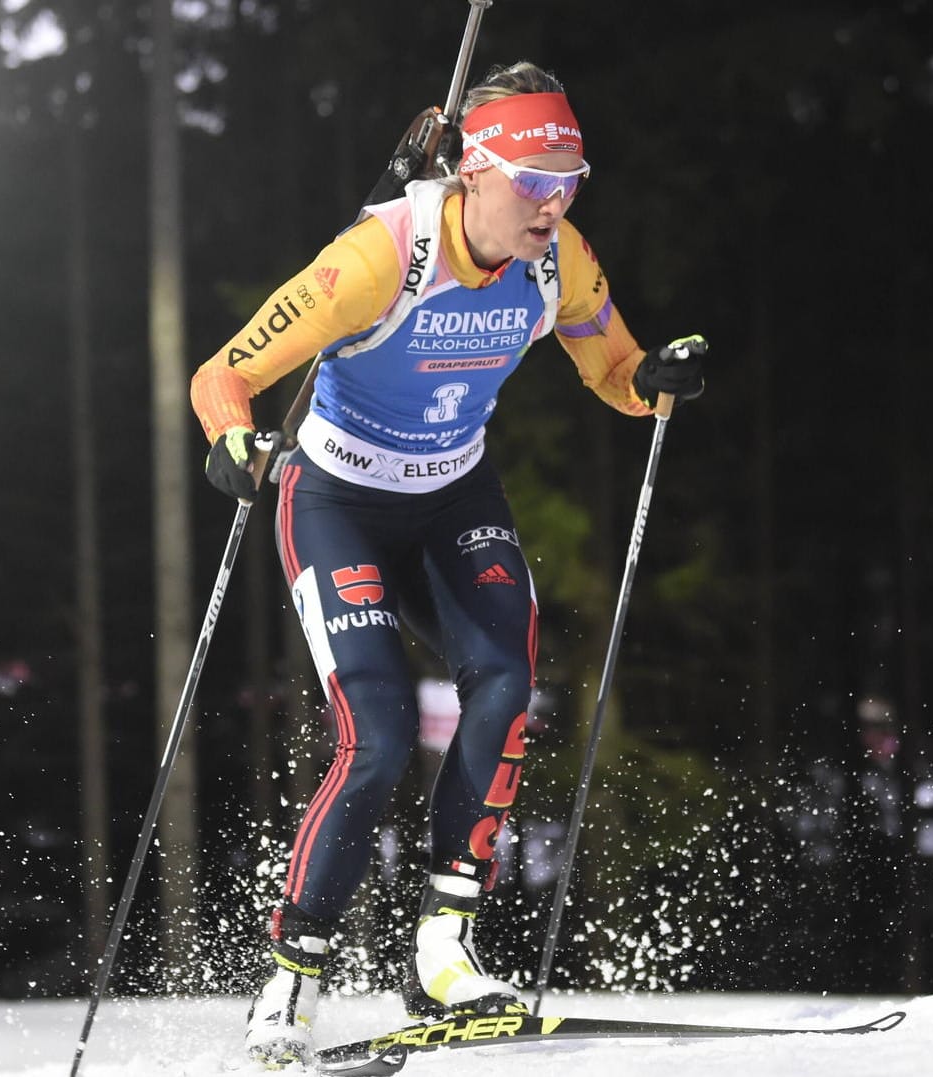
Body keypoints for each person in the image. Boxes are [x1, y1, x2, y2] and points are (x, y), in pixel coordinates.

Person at [188, 61, 709, 1070]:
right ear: (475, 169)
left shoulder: (559, 262)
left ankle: (441, 948)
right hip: (337, 500)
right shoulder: (382, 257)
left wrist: (655, 382)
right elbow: (227, 372)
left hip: (450, 497)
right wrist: (235, 440)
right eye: (534, 181)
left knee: (506, 681)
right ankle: (293, 977)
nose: (553, 206)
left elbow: (614, 369)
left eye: (570, 183)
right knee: (377, 733)